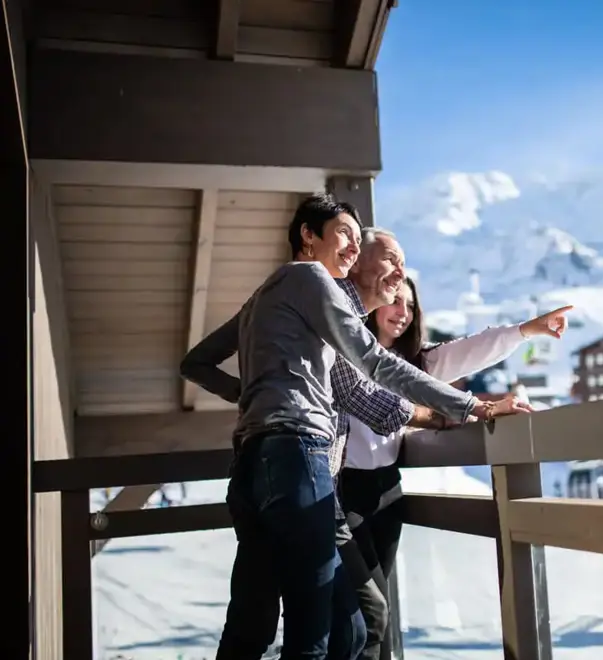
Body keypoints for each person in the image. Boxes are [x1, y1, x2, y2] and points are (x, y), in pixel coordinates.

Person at [180, 193, 529, 660]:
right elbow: (373, 365)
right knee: (316, 634)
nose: (351, 245)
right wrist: (473, 408)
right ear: (308, 235)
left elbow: (195, 363)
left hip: (250, 466)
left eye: (356, 238)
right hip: (297, 458)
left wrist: (254, 396)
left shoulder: (265, 295)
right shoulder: (312, 278)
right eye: (343, 233)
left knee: (252, 627)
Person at [339, 278, 572, 660]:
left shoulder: (417, 363)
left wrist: (528, 330)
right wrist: (445, 415)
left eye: (410, 306)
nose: (402, 312)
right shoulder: (348, 354)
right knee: (368, 612)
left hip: (387, 492)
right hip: (344, 491)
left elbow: (471, 350)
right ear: (373, 301)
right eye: (394, 301)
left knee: (378, 609)